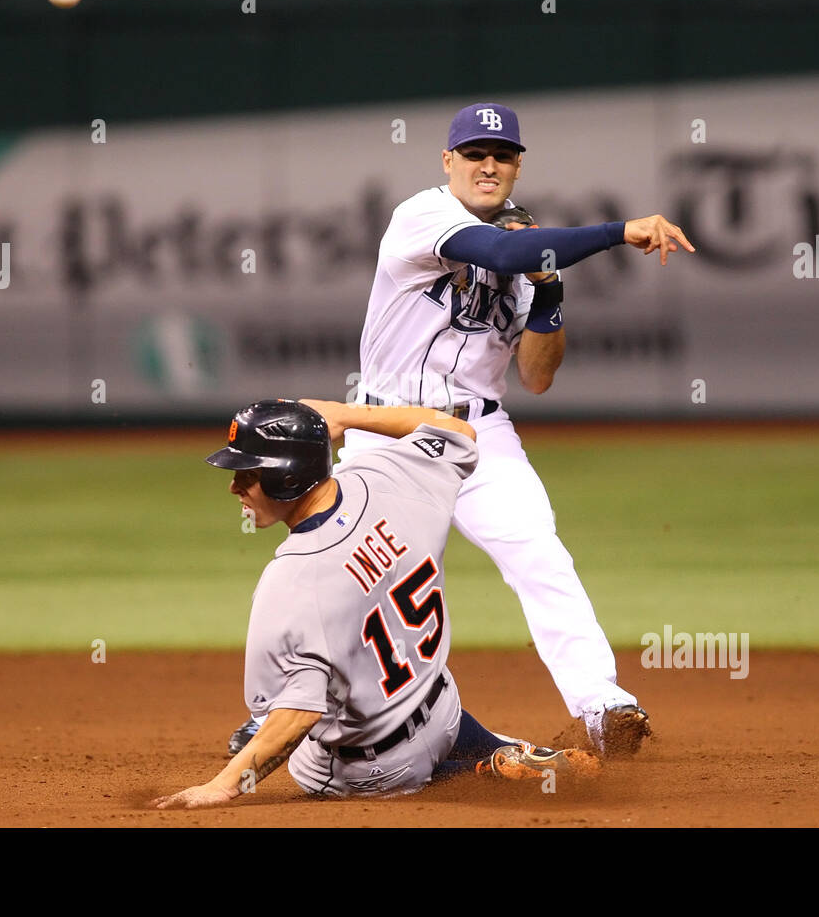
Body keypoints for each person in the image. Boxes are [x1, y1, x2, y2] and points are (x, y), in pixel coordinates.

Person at [230, 103, 694, 760]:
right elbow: (501, 249)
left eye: (501, 155)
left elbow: (537, 376)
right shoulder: (424, 217)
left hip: (479, 435)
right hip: (388, 428)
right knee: (354, 573)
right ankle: (272, 712)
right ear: (447, 162)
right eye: (474, 154)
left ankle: (603, 709)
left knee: (540, 559)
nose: (488, 165)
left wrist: (551, 297)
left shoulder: (534, 254)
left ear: (517, 165)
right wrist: (623, 231)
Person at [151, 399, 598, 809]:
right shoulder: (389, 474)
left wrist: (223, 785)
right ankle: (496, 751)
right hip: (444, 710)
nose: (234, 488)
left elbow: (297, 712)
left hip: (377, 765)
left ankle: (479, 771)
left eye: (247, 475)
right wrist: (345, 414)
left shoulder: (289, 582)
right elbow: (455, 428)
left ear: (285, 477)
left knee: (308, 763)